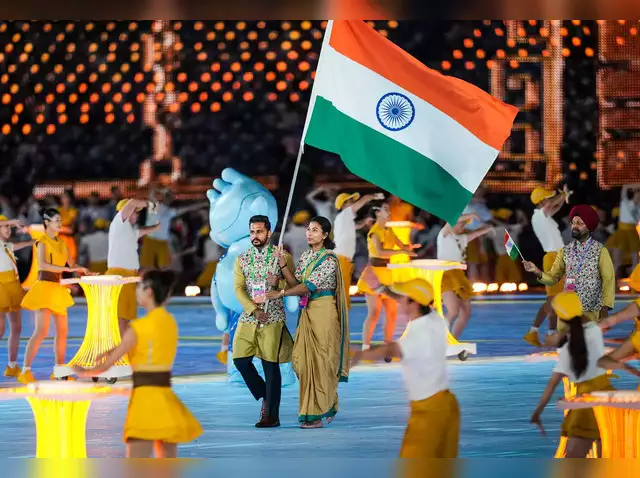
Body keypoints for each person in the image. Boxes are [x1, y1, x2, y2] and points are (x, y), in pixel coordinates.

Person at [73, 270, 203, 458]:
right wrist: (112, 350)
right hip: (166, 400)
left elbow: (105, 366)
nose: (136, 291)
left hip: (145, 401)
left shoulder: (138, 328)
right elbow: (148, 343)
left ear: (149, 292)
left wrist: (83, 372)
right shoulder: (170, 322)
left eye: (139, 287)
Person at [352, 269, 459, 458]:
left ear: (414, 304)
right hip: (447, 405)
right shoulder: (436, 320)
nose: (398, 300)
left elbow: (390, 350)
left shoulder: (418, 334)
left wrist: (358, 355)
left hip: (428, 413)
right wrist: (381, 289)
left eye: (402, 298)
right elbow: (416, 299)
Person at [266, 216, 349, 429]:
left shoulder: (329, 260)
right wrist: (283, 266)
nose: (309, 233)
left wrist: (280, 293)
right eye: (308, 229)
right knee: (302, 361)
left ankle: (317, 413)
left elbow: (307, 287)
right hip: (308, 311)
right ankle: (321, 404)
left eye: (315, 230)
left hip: (324, 312)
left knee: (321, 361)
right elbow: (296, 282)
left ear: (325, 235)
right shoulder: (305, 257)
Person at [530, 292, 616, 458]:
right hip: (609, 402)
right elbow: (582, 324)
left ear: (562, 319)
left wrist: (537, 413)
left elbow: (551, 385)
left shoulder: (567, 351)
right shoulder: (595, 331)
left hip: (586, 405)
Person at [233, 215, 295, 428]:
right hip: (249, 316)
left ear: (269, 233)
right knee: (240, 360)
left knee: (270, 365)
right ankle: (265, 395)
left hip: (272, 317)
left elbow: (295, 285)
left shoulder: (282, 256)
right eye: (252, 232)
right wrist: (253, 309)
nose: (255, 236)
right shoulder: (242, 258)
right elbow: (238, 288)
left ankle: (272, 415)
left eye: (259, 231)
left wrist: (279, 282)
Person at [18, 208, 91, 384]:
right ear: (47, 223)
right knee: (41, 331)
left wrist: (83, 270)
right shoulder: (42, 242)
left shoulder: (62, 243)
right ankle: (25, 370)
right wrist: (66, 269)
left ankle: (59, 369)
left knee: (63, 331)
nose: (60, 223)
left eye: (60, 220)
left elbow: (72, 265)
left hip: (57, 288)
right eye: (57, 220)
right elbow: (43, 265)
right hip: (44, 288)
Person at [524, 205, 615, 332]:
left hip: (591, 311)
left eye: (580, 223)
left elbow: (609, 279)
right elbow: (553, 278)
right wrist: (536, 271)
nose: (575, 226)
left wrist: (605, 309)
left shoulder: (600, 251)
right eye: (573, 222)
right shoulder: (565, 251)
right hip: (569, 314)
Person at [356, 202, 416, 351]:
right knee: (374, 312)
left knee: (392, 312)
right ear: (378, 213)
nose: (389, 213)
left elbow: (402, 246)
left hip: (387, 274)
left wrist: (409, 247)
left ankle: (388, 344)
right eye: (386, 210)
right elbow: (380, 252)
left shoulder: (389, 230)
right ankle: (365, 346)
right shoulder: (374, 232)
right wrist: (401, 252)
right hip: (374, 275)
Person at [524, 186, 571, 347]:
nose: (550, 200)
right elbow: (552, 205)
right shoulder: (539, 215)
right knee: (552, 299)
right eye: (548, 198)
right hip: (553, 258)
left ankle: (539, 332)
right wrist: (563, 194)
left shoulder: (544, 216)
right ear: (542, 201)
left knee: (554, 299)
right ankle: (546, 333)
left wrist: (563, 197)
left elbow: (555, 206)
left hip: (558, 257)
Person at [106, 199, 160, 337]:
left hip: (129, 277)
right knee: (120, 315)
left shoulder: (128, 229)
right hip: (119, 276)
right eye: (135, 212)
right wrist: (150, 204)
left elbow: (141, 231)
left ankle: (124, 345)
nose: (136, 214)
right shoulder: (119, 222)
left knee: (127, 315)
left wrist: (156, 227)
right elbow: (131, 202)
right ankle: (119, 346)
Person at [437, 213, 492, 338]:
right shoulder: (444, 235)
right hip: (447, 276)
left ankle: (453, 340)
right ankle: (440, 339)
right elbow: (451, 220)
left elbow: (476, 233)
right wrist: (471, 215)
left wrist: (488, 228)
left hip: (459, 276)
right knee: (453, 311)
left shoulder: (460, 239)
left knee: (465, 312)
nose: (462, 227)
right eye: (460, 224)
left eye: (463, 225)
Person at [333, 191, 382, 309]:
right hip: (341, 258)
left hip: (343, 258)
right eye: (351, 201)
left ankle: (340, 311)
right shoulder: (345, 214)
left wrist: (365, 221)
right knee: (342, 288)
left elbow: (356, 226)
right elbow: (365, 198)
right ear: (344, 205)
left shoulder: (344, 219)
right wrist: (375, 196)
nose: (354, 203)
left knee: (342, 286)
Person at [140, 189, 207, 269]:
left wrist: (202, 204)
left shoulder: (168, 211)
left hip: (161, 241)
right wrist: (159, 190)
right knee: (151, 265)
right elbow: (151, 194)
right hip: (153, 240)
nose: (170, 200)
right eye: (170, 197)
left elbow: (187, 208)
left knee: (162, 266)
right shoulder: (157, 209)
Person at [0, 216, 33, 377]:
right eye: (5, 227)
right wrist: (12, 222)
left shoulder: (7, 245)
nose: (8, 230)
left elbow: (23, 244)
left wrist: (37, 241)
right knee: (0, 329)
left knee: (17, 327)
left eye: (9, 228)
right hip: (1, 286)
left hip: (13, 285)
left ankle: (12, 366)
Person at [606, 184, 640, 277]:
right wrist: (634, 185)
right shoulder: (625, 202)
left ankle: (635, 280)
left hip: (632, 233)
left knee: (635, 261)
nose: (638, 196)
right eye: (637, 193)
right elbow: (624, 189)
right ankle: (610, 281)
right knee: (617, 262)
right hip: (622, 233)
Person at [491, 209, 527, 285]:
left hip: (501, 255)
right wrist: (521, 215)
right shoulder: (513, 228)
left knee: (501, 279)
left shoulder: (493, 230)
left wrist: (492, 219)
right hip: (512, 254)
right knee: (514, 279)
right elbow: (524, 223)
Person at [58, 189, 79, 265]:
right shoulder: (57, 211)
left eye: (66, 197)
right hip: (59, 240)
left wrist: (60, 229)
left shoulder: (74, 211)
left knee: (71, 264)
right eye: (63, 197)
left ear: (70, 198)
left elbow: (71, 230)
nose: (65, 199)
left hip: (70, 241)